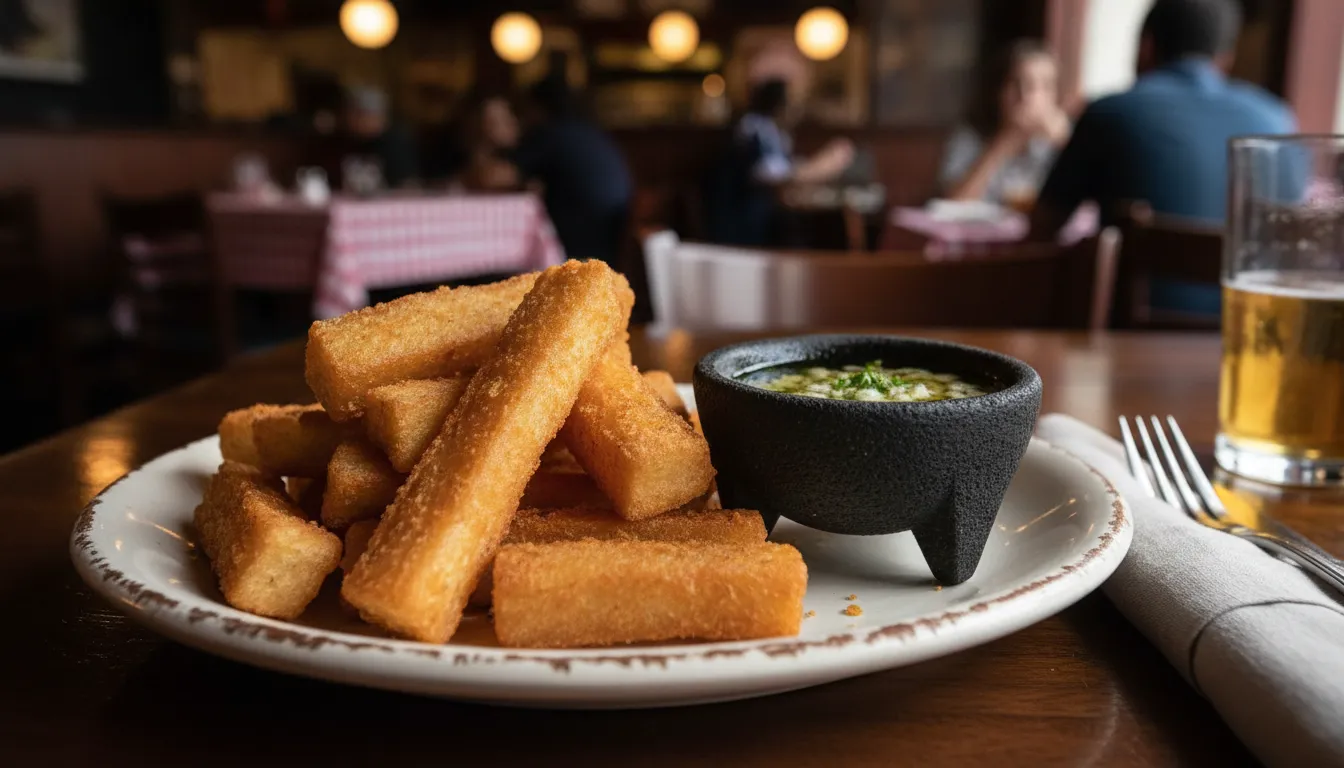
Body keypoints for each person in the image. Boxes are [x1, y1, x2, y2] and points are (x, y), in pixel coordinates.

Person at [1029, 0, 1294, 236]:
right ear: (1226, 57)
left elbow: (1042, 229)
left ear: (1146, 46)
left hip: (1132, 278)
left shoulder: (1109, 112)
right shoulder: (1278, 123)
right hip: (1242, 279)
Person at [705, 79, 855, 246]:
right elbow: (769, 173)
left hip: (761, 221)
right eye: (794, 102)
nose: (798, 109)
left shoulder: (775, 131)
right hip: (740, 225)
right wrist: (819, 167)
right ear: (779, 105)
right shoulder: (752, 127)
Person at [502, 77, 633, 266]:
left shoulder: (550, 134)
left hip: (580, 241)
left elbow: (498, 177)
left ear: (537, 107)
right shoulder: (590, 131)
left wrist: (496, 141)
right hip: (611, 237)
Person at [938, 41, 1070, 208]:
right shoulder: (970, 135)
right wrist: (1005, 142)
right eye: (1016, 83)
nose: (1026, 96)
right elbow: (952, 204)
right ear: (998, 91)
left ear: (1055, 94)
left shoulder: (1066, 137)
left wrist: (1068, 146)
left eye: (1043, 86)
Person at [343, 87, 420, 189]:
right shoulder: (343, 142)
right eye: (353, 114)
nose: (360, 121)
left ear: (383, 117)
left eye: (365, 115)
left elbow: (409, 186)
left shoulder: (396, 143)